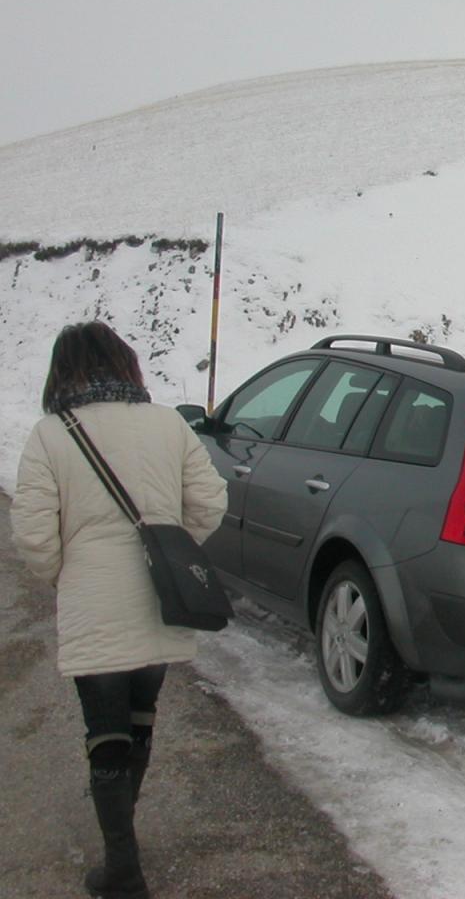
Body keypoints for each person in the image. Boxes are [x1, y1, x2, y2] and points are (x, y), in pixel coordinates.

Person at [11, 322, 228, 899]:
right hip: (162, 593)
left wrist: (68, 572)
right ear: (127, 364)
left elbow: (33, 536)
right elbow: (209, 501)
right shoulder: (167, 424)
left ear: (63, 370)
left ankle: (123, 868)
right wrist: (173, 548)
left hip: (93, 596)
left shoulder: (51, 434)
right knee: (140, 718)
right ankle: (121, 846)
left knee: (103, 730)